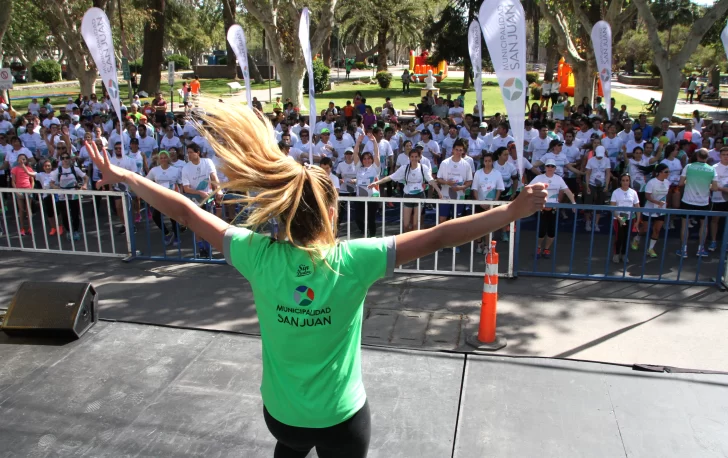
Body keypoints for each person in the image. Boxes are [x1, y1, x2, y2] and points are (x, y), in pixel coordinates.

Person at [81, 102, 547, 458]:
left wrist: (121, 173)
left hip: (281, 418)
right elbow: (437, 237)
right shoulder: (354, 260)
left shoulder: (256, 255)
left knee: (291, 441)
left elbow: (185, 210)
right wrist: (510, 211)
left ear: (282, 213)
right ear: (331, 212)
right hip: (340, 419)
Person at [368, 147, 441, 232]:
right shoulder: (404, 168)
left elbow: (431, 180)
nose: (414, 159)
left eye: (416, 156)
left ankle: (415, 243)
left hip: (420, 195)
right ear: (409, 158)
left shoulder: (423, 168)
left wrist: (439, 192)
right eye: (412, 156)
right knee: (406, 225)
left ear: (419, 157)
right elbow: (390, 177)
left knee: (415, 224)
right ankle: (407, 242)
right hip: (407, 195)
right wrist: (376, 183)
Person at [529, 158, 576, 259]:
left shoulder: (558, 179)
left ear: (555, 168)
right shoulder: (539, 177)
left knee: (551, 231)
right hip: (541, 207)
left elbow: (567, 191)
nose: (550, 168)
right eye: (548, 166)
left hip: (554, 207)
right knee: (541, 230)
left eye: (552, 166)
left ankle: (546, 249)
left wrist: (574, 203)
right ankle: (538, 247)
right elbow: (528, 188)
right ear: (545, 167)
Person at [676, 148, 717, 258]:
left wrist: (687, 181)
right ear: (707, 158)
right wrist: (707, 185)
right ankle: (701, 249)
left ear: (697, 157)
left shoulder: (688, 167)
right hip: (703, 202)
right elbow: (715, 188)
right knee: (704, 225)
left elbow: (680, 184)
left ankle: (684, 249)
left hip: (687, 201)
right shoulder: (712, 169)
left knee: (684, 225)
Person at [147, 150, 183, 246]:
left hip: (173, 196)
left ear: (168, 158)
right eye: (161, 158)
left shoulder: (176, 170)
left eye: (165, 157)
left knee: (173, 217)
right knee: (155, 216)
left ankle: (176, 236)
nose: (163, 159)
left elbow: (180, 183)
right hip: (160, 197)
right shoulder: (154, 170)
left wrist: (182, 196)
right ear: (159, 159)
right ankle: (167, 233)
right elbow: (147, 181)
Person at [50, 152, 89, 241]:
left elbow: (86, 177)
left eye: (67, 158)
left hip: (74, 193)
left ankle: (75, 231)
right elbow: (51, 183)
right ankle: (68, 231)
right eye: (63, 158)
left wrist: (85, 185)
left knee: (75, 213)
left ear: (70, 159)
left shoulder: (75, 169)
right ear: (60, 160)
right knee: (64, 214)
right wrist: (56, 187)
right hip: (62, 195)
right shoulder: (58, 171)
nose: (65, 160)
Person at [472, 153, 505, 252]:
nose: (487, 163)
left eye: (489, 161)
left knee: (489, 227)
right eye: (485, 161)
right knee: (478, 226)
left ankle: (487, 245)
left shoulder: (497, 173)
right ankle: (479, 244)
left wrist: (494, 202)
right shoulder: (478, 173)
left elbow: (499, 189)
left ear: (492, 161)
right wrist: (479, 202)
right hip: (480, 204)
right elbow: (475, 189)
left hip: (491, 205)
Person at [352, 133, 380, 237]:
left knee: (371, 218)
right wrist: (358, 142)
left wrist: (374, 142)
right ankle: (364, 232)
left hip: (373, 198)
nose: (367, 160)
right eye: (364, 158)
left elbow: (377, 154)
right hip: (360, 198)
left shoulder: (375, 168)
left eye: (369, 158)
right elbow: (355, 154)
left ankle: (372, 236)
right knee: (358, 218)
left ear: (372, 160)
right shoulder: (359, 168)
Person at [610, 173, 641, 264]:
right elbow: (612, 207)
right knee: (619, 237)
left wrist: (637, 221)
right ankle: (616, 254)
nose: (625, 182)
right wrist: (618, 217)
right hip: (618, 218)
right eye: (623, 180)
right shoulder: (616, 192)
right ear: (620, 181)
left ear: (629, 181)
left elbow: (637, 207)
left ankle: (624, 254)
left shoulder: (633, 192)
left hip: (630, 218)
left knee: (627, 237)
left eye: (627, 180)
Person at [642, 163, 671, 258]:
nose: (668, 173)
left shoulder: (667, 182)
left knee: (657, 229)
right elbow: (647, 196)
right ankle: (637, 238)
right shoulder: (651, 182)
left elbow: (666, 196)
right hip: (649, 209)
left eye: (668, 172)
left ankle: (650, 248)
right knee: (645, 229)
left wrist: (664, 204)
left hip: (660, 210)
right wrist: (656, 202)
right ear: (659, 172)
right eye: (666, 172)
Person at [584, 145, 612, 232]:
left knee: (599, 203)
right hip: (592, 183)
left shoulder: (607, 160)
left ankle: (596, 223)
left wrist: (606, 185)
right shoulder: (591, 160)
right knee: (588, 202)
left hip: (602, 184)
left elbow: (608, 173)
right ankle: (588, 221)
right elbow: (588, 173)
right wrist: (587, 186)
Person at [10, 153, 35, 236]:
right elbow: (13, 181)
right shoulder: (14, 169)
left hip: (28, 188)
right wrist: (16, 191)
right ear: (17, 160)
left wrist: (31, 189)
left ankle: (30, 227)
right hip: (19, 189)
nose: (22, 161)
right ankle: (22, 228)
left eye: (24, 159)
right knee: (21, 209)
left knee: (29, 208)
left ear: (26, 160)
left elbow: (32, 181)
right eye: (20, 159)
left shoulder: (29, 169)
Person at [708, 147, 728, 251]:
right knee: (715, 220)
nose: (726, 157)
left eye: (727, 154)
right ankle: (713, 241)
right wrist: (722, 189)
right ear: (720, 156)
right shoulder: (714, 168)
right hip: (717, 198)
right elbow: (710, 185)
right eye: (724, 154)